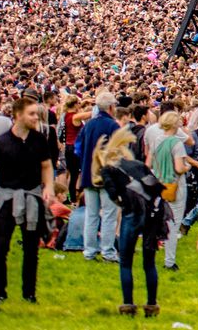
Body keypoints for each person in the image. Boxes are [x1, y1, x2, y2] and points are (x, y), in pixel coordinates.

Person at [0, 95, 54, 307]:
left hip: (32, 196)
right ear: (18, 115)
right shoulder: (1, 143)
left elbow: (46, 166)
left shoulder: (39, 140)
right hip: (6, 198)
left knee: (32, 249)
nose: (35, 118)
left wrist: (48, 187)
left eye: (37, 115)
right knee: (0, 247)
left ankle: (29, 294)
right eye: (31, 114)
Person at [94, 126, 165, 318]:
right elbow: (155, 187)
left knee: (125, 261)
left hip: (131, 214)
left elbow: (114, 196)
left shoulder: (108, 170)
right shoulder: (137, 165)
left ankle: (128, 304)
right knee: (149, 262)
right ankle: (151, 305)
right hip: (153, 213)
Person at [150, 111, 198, 272]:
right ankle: (169, 261)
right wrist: (188, 166)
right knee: (173, 224)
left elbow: (151, 162)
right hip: (175, 184)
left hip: (160, 182)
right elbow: (179, 168)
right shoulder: (176, 143)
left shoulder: (157, 140)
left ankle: (154, 254)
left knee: (159, 220)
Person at [76, 91, 120, 262]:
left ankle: (89, 251)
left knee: (92, 214)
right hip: (107, 176)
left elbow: (78, 148)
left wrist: (86, 164)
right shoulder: (113, 126)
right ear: (110, 107)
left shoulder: (88, 125)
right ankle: (107, 251)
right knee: (109, 214)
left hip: (89, 174)